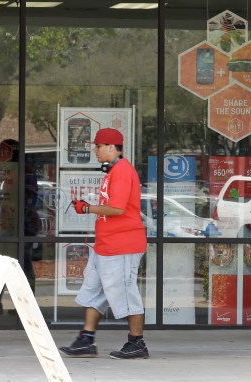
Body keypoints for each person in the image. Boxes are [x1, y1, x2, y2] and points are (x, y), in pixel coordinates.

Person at [60, 128, 149, 360]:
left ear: (112, 147)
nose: (95, 150)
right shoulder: (113, 171)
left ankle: (137, 343)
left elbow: (117, 209)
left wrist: (86, 208)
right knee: (93, 291)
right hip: (106, 245)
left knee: (126, 293)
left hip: (123, 245)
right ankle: (86, 340)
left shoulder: (122, 171)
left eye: (98, 146)